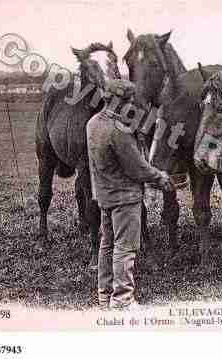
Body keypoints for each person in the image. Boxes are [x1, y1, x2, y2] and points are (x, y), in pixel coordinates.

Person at [86, 79, 173, 310]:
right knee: (126, 248)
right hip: (125, 198)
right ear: (119, 102)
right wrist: (160, 177)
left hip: (104, 196)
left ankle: (104, 296)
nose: (132, 106)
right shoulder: (119, 131)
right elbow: (137, 167)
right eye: (129, 101)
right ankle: (123, 300)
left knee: (107, 245)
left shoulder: (93, 123)